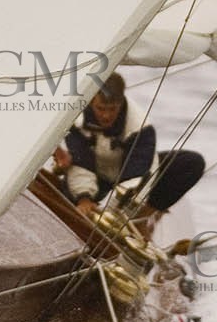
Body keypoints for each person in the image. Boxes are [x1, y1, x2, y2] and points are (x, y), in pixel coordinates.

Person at [53, 72, 204, 228]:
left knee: (192, 163)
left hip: (129, 178)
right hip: (96, 174)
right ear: (91, 101)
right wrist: (84, 198)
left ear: (121, 102)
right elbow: (81, 163)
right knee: (72, 186)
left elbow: (136, 176)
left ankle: (144, 219)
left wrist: (112, 214)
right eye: (101, 108)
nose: (106, 116)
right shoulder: (76, 118)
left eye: (112, 109)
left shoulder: (140, 127)